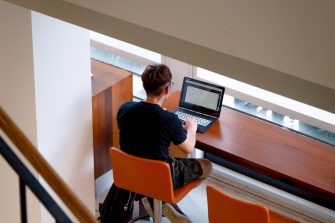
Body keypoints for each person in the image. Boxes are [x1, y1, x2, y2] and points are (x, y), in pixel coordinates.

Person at [117, 64, 212, 223]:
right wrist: (191, 129)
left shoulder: (125, 108)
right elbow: (188, 147)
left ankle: (155, 203)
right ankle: (163, 201)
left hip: (131, 173)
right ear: (167, 90)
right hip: (160, 178)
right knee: (207, 165)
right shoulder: (169, 120)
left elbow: (142, 128)